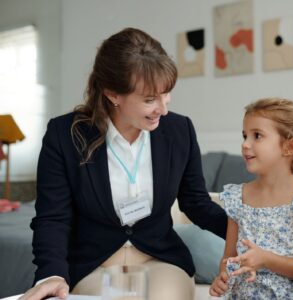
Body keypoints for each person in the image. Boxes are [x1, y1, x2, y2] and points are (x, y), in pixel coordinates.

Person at [20, 27, 227, 300]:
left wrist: (250, 230)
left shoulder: (179, 130)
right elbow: (53, 217)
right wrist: (52, 274)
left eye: (167, 94)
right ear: (113, 94)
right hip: (94, 264)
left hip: (161, 259)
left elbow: (196, 203)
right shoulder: (64, 135)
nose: (163, 110)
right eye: (150, 99)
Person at [209, 98, 293, 299]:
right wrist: (223, 277)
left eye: (257, 136)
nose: (245, 144)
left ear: (289, 147)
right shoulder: (237, 198)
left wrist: (266, 259)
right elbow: (229, 259)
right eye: (244, 135)